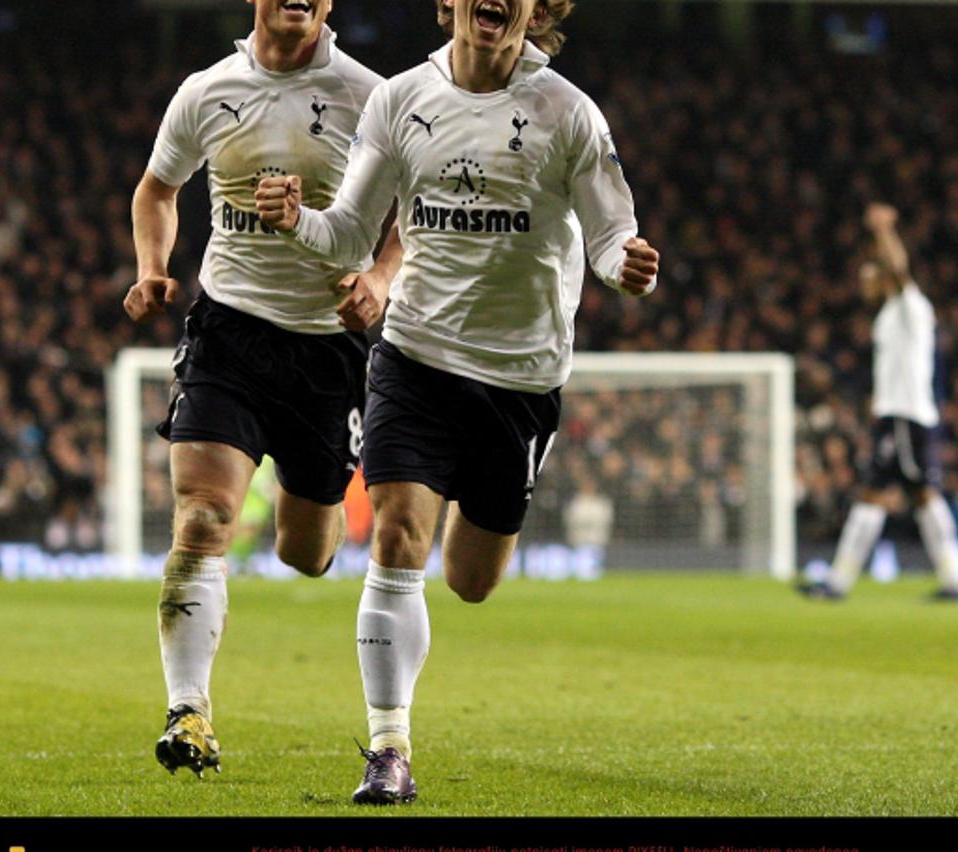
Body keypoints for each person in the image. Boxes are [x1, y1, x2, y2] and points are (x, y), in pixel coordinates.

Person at [256, 0, 660, 804]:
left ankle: (402, 706)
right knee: (399, 533)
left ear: (537, 10)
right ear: (449, 4)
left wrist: (625, 265)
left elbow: (613, 230)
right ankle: (388, 745)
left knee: (473, 578)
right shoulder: (401, 98)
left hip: (520, 376)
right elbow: (350, 234)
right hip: (415, 357)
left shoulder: (568, 113)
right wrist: (301, 219)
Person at [124, 0, 401, 779]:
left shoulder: (369, 96)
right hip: (229, 335)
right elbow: (156, 191)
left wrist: (380, 278)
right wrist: (152, 266)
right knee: (203, 515)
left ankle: (301, 508)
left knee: (307, 552)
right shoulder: (208, 90)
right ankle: (189, 711)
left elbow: (411, 212)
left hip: (325, 349)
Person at [800, 203, 958, 602]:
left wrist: (883, 230)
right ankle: (950, 580)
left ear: (884, 278)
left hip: (906, 417)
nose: (863, 284)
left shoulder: (910, 306)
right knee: (903, 496)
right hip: (897, 416)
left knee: (898, 495)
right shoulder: (889, 314)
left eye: (868, 277)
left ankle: (842, 583)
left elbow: (898, 268)